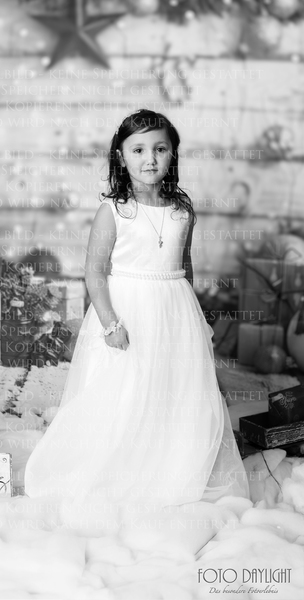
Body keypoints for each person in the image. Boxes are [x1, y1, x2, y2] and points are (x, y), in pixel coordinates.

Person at [24, 109, 249, 535]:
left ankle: (169, 467)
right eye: (139, 150)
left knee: (174, 388)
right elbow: (94, 272)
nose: (150, 159)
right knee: (125, 390)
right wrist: (110, 324)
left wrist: (196, 320)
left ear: (172, 155)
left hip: (174, 308)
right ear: (121, 156)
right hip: (127, 309)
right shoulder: (114, 210)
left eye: (160, 149)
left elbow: (184, 267)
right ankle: (117, 466)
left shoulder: (182, 209)